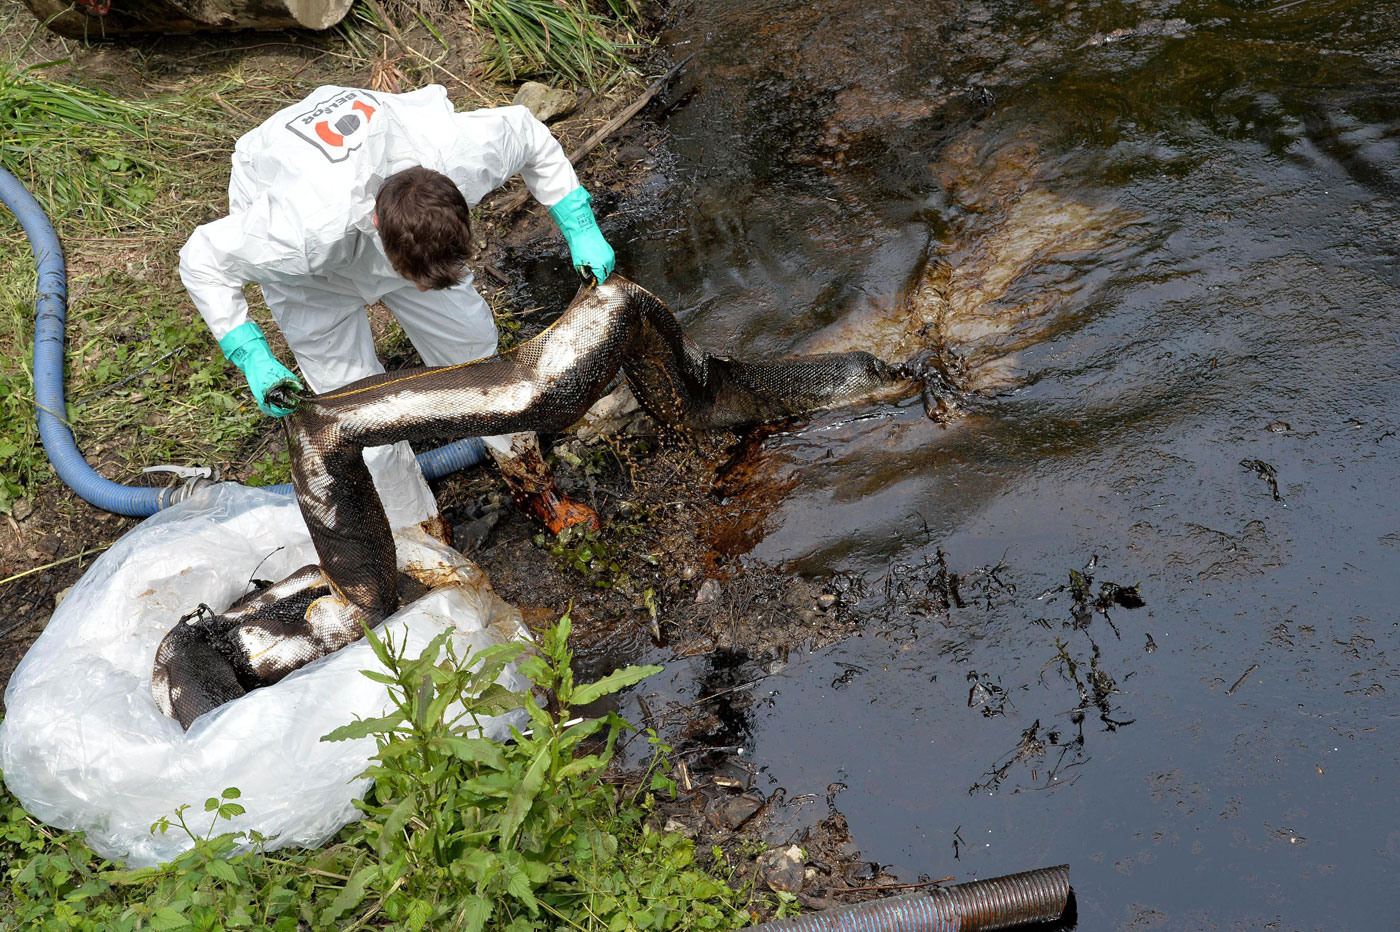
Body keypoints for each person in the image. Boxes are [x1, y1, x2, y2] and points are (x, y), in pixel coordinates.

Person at [179, 84, 613, 537]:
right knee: (362, 415)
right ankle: (425, 538)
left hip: (382, 203)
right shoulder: (296, 234)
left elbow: (529, 133)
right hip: (310, 274)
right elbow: (201, 259)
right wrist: (252, 355)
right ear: (378, 231)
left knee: (477, 358)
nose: (426, 291)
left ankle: (535, 489)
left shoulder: (461, 156)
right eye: (420, 281)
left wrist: (579, 225)